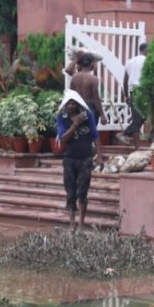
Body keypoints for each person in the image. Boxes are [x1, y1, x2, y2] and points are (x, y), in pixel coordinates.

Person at [56, 90, 100, 229]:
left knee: (82, 192)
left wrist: (100, 155)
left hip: (85, 158)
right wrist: (75, 124)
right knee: (70, 193)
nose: (71, 106)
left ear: (78, 104)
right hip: (69, 159)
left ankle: (81, 224)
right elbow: (63, 138)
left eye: (73, 103)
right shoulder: (62, 117)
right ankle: (72, 224)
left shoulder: (88, 115)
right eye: (68, 103)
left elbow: (95, 134)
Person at [121, 42, 148, 147]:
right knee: (142, 117)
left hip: (133, 92)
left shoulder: (130, 61)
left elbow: (125, 81)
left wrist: (127, 95)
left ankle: (133, 142)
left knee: (140, 118)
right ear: (146, 50)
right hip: (143, 92)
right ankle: (123, 134)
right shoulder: (147, 61)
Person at [70, 52, 106, 125]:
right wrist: (102, 114)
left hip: (77, 108)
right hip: (90, 108)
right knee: (91, 130)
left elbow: (71, 96)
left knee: (79, 130)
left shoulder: (74, 78)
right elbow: (96, 98)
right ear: (92, 64)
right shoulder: (93, 79)